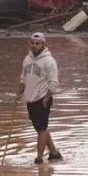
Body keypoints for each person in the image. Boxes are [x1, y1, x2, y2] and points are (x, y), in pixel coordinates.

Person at [16, 32, 61, 165]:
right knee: (41, 127)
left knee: (41, 129)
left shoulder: (49, 61)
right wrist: (19, 92)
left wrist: (46, 98)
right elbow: (23, 78)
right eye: (32, 43)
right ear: (29, 43)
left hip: (42, 99)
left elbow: (54, 82)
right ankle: (54, 153)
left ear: (43, 44)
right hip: (30, 99)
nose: (34, 46)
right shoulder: (27, 59)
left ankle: (39, 158)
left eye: (37, 43)